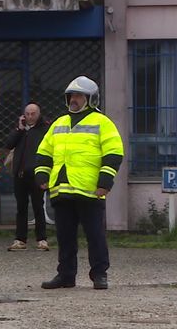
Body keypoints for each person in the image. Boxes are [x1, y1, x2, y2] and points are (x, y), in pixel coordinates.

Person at [34, 76, 124, 290]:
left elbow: (113, 154)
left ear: (90, 99)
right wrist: (41, 176)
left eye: (78, 96)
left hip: (89, 190)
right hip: (61, 190)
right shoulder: (59, 122)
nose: (73, 99)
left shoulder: (103, 122)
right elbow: (44, 153)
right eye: (71, 95)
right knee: (65, 238)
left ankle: (100, 274)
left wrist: (105, 182)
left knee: (95, 236)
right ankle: (66, 275)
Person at [5, 102, 50, 251]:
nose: (30, 117)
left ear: (38, 114)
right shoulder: (21, 130)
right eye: (28, 114)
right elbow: (9, 144)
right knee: (21, 207)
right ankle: (20, 239)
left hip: (37, 174)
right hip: (20, 173)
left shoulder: (45, 129)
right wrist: (19, 129)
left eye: (33, 114)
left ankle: (42, 239)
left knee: (38, 206)